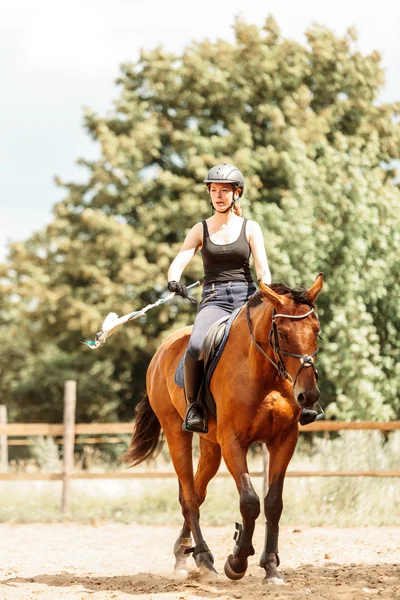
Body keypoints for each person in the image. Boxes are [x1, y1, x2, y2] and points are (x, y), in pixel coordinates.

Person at [167, 163, 273, 433]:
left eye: (224, 190)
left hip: (247, 297)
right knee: (195, 346)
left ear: (237, 193)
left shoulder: (250, 228)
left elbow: (262, 266)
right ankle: (195, 408)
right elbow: (182, 256)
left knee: (279, 335)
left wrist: (267, 289)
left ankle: (302, 399)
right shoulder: (201, 229)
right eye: (213, 190)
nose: (218, 195)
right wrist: (173, 277)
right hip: (214, 299)